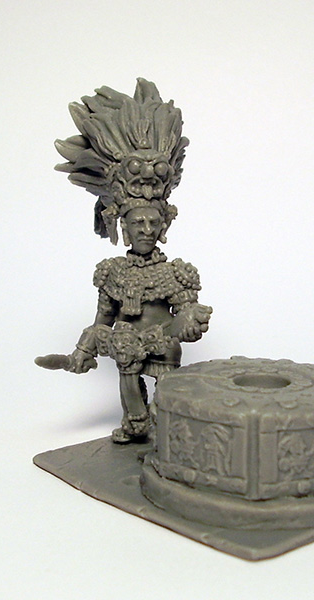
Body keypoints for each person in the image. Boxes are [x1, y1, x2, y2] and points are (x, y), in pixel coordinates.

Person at [36, 79, 211, 443]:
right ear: (124, 227)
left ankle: (165, 434)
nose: (146, 229)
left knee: (166, 403)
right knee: (132, 398)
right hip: (126, 350)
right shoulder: (112, 274)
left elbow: (184, 312)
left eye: (152, 223)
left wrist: (188, 321)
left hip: (162, 349)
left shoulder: (174, 274)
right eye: (137, 223)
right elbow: (103, 320)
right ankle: (135, 425)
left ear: (164, 225)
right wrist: (83, 350)